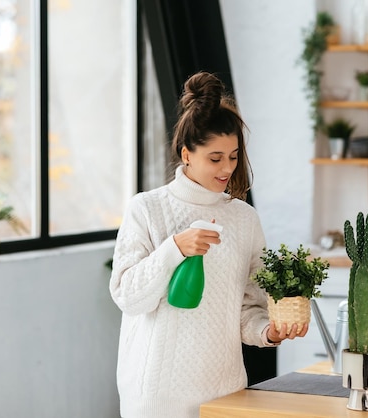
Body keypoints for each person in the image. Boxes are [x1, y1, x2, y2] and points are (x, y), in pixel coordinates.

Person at [109, 71, 308, 418]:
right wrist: (174, 248)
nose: (227, 168)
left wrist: (267, 330)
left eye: (233, 156)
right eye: (215, 158)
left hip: (224, 391)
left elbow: (247, 307)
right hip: (157, 396)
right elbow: (127, 294)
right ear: (187, 155)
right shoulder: (147, 208)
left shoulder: (244, 219)